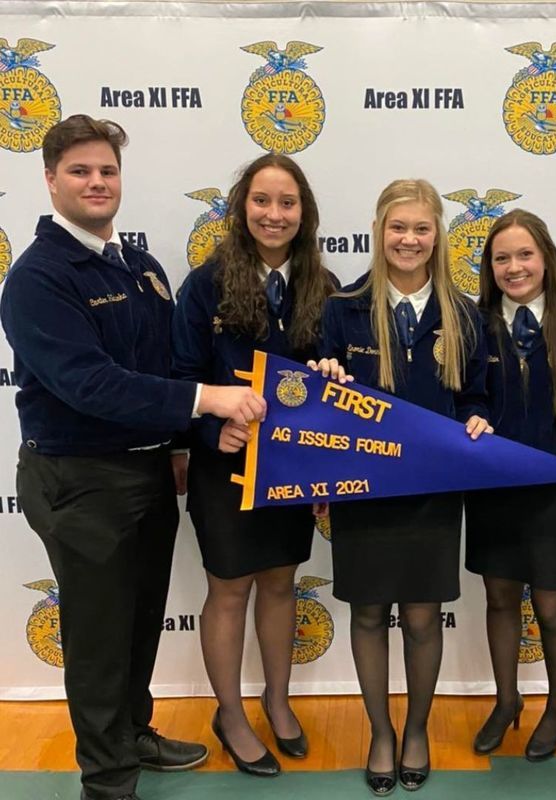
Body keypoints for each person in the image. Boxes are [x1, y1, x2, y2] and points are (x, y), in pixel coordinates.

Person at [0, 114, 266, 800]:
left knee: (142, 616)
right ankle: (108, 781)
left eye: (107, 170)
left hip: (146, 470)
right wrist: (207, 401)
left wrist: (176, 443)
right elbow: (91, 384)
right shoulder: (38, 279)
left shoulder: (141, 268)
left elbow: (161, 366)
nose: (97, 182)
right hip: (80, 478)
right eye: (80, 171)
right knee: (98, 636)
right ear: (50, 180)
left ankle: (133, 732)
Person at [312, 178, 491, 795]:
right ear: (379, 231)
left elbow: (475, 396)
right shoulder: (342, 308)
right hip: (363, 490)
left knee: (421, 615)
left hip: (433, 492)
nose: (408, 239)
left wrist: (477, 417)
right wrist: (326, 379)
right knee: (367, 613)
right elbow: (321, 407)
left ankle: (415, 729)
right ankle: (380, 733)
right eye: (398, 227)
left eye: (420, 228)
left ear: (437, 235)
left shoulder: (464, 313)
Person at [171, 154, 342, 776]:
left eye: (287, 203)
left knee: (279, 581)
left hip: (293, 468)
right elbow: (180, 378)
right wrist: (209, 430)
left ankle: (278, 698)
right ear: (241, 207)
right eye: (262, 201)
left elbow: (338, 389)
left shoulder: (324, 285)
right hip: (225, 467)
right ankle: (230, 713)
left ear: (304, 212)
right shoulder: (205, 283)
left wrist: (328, 455)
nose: (274, 214)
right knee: (229, 588)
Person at [464, 209, 556, 760]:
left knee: (553, 607)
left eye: (524, 255)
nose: (513, 268)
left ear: (547, 259)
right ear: (489, 267)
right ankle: (506, 699)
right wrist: (472, 414)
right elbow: (464, 393)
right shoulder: (472, 324)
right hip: (493, 488)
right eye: (501, 258)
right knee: (499, 598)